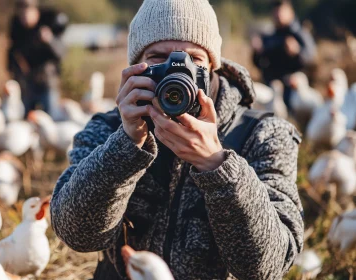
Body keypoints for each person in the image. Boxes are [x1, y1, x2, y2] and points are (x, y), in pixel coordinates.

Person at [51, 0, 304, 279]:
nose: (176, 72)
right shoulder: (108, 129)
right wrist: (125, 146)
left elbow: (268, 266)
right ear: (136, 67)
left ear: (212, 66)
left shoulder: (264, 135)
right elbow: (77, 234)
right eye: (160, 58)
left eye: (193, 60)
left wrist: (217, 166)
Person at [7, 0, 67, 117]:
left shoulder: (48, 25)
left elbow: (62, 53)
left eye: (26, 14)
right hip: (27, 85)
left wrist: (50, 41)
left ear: (35, 12)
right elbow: (12, 54)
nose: (24, 18)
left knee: (50, 119)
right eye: (21, 15)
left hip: (47, 84)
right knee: (26, 119)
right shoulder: (17, 29)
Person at [252, 0, 316, 108]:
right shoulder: (269, 37)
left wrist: (297, 53)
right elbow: (259, 63)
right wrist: (257, 52)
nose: (278, 15)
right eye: (276, 12)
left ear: (290, 12)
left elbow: (311, 59)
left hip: (295, 89)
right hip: (273, 87)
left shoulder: (300, 34)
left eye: (281, 11)